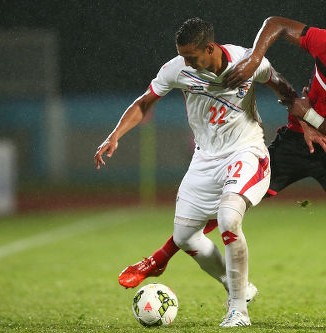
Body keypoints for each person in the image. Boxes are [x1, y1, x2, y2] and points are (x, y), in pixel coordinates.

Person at [119, 16, 326, 325]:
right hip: (294, 141)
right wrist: (254, 59)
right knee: (229, 205)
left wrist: (312, 117)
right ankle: (162, 257)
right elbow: (276, 23)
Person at [94, 17, 299, 327]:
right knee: (186, 237)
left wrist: (302, 121)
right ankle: (239, 287)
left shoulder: (247, 61)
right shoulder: (178, 68)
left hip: (245, 152)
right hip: (204, 160)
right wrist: (114, 135)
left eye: (192, 56)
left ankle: (237, 310)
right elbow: (145, 102)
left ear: (210, 47)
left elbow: (281, 85)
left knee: (229, 220)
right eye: (183, 56)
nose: (187, 62)